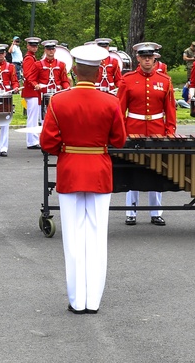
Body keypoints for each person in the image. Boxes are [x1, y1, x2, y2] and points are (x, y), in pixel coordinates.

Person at [40, 44, 127, 315]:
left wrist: (67, 149)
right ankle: (94, 301)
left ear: (75, 71)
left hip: (70, 170)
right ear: (100, 70)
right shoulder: (111, 102)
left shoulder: (58, 101)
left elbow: (47, 142)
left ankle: (77, 300)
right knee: (97, 236)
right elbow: (119, 141)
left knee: (73, 239)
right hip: (100, 171)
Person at [118, 42, 176, 226]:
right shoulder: (127, 80)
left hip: (157, 130)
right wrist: (122, 132)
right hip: (133, 129)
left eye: (150, 56)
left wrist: (170, 130)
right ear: (138, 58)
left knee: (156, 170)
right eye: (144, 56)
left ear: (155, 58)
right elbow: (120, 109)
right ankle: (131, 212)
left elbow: (170, 109)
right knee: (132, 171)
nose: (147, 60)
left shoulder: (164, 80)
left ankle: (156, 212)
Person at [20, 37, 42, 149]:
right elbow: (28, 75)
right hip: (31, 89)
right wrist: (35, 84)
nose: (34, 47)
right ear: (28, 46)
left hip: (33, 90)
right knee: (32, 117)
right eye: (32, 45)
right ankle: (32, 141)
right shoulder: (29, 58)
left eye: (36, 46)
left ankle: (34, 139)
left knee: (34, 116)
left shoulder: (32, 57)